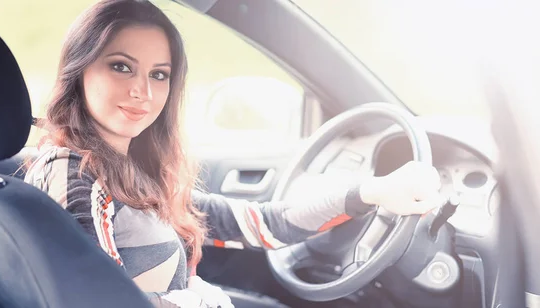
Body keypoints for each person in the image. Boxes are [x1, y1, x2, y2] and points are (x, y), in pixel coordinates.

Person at [24, 0, 443, 306]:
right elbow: (91, 298)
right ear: (80, 70)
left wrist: (372, 193)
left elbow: (265, 224)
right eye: (121, 66)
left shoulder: (133, 172)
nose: (143, 91)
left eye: (159, 75)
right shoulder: (69, 170)